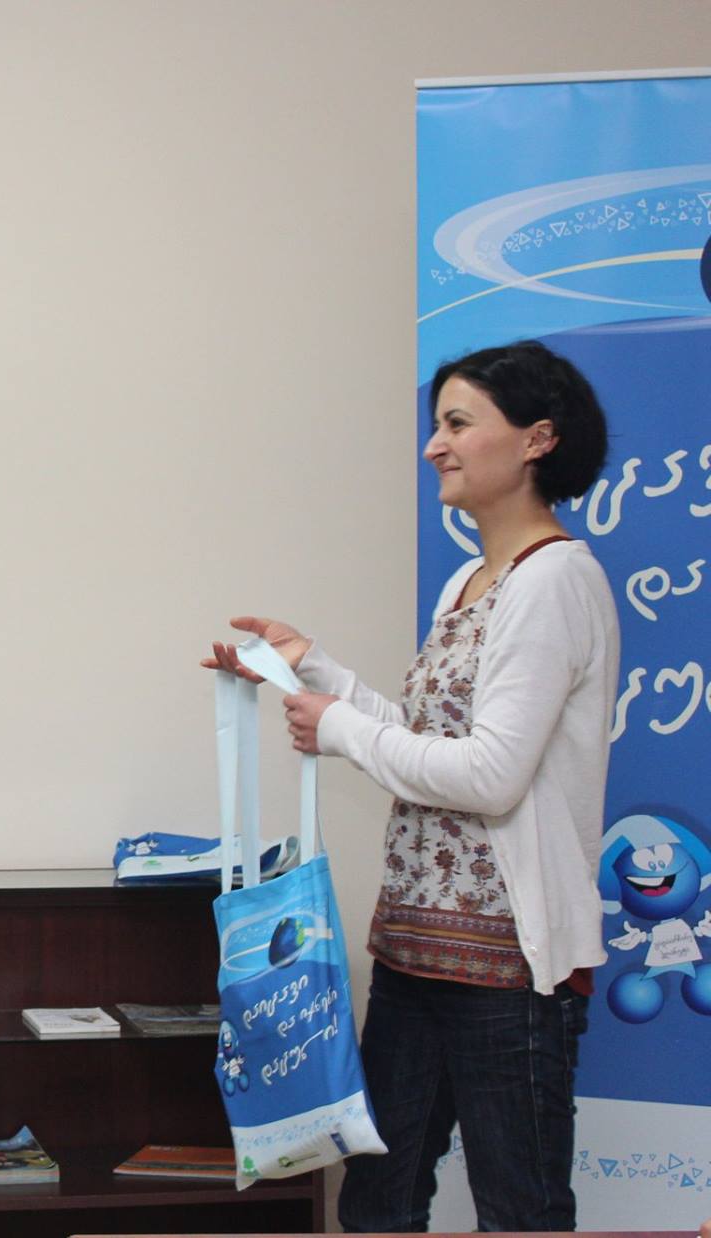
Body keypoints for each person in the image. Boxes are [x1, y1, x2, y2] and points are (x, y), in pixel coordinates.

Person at [207, 341, 618, 1231]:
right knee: (377, 1208)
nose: (435, 446)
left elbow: (491, 775)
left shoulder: (556, 580)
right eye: (436, 426)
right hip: (412, 958)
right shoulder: (471, 581)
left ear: (538, 439)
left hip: (508, 974)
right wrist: (315, 670)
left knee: (520, 1214)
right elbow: (430, 739)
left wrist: (340, 729)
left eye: (458, 424)